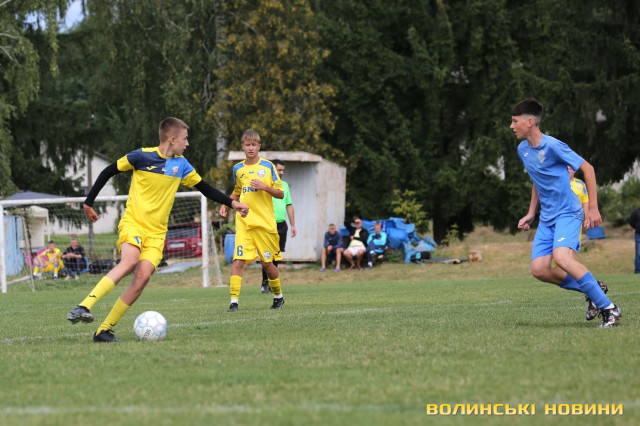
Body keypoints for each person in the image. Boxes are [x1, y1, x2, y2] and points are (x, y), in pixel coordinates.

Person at [66, 117, 249, 342]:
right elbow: (108, 171)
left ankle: (104, 330)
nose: (187, 143)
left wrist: (233, 203)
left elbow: (205, 188)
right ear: (172, 139)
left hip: (157, 234)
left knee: (142, 277)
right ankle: (84, 305)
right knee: (129, 262)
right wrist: (88, 203)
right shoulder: (141, 156)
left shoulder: (182, 165)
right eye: (185, 139)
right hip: (133, 223)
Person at [511, 98, 621, 328]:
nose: (511, 126)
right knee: (539, 270)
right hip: (547, 218)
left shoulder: (553, 146)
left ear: (529, 122)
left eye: (514, 121)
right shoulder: (523, 150)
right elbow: (537, 180)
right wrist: (531, 212)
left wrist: (593, 208)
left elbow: (588, 169)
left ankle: (609, 309)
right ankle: (594, 288)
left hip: (568, 213)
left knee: (562, 258)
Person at [219, 129, 285, 312]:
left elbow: (280, 194)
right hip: (244, 222)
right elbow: (237, 191)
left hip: (264, 223)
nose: (250, 148)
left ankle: (278, 296)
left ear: (259, 146)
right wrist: (226, 203)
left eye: (254, 145)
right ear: (242, 146)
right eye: (247, 144)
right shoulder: (238, 169)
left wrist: (265, 187)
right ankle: (233, 302)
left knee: (267, 263)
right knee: (238, 260)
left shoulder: (268, 167)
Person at [259, 158, 296, 293]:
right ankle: (265, 283)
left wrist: (293, 225)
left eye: (283, 170)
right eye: (279, 170)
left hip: (281, 225)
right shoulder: (264, 184)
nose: (281, 173)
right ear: (272, 170)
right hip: (267, 224)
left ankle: (272, 283)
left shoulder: (284, 185)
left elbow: (289, 205)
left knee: (276, 256)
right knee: (267, 256)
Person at [630, 207, 640, 274]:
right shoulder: (636, 212)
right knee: (638, 254)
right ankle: (637, 270)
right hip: (638, 234)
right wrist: (637, 227)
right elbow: (631, 223)